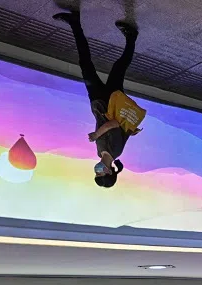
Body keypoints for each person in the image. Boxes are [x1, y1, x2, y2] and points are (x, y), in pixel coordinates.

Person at [54, 10, 143, 188]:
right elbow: (114, 124)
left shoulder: (99, 153)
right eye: (100, 172)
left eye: (96, 173)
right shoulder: (116, 151)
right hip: (111, 101)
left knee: (85, 64)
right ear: (109, 171)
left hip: (97, 103)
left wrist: (98, 133)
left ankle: (75, 23)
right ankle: (131, 38)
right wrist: (96, 134)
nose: (97, 170)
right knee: (118, 67)